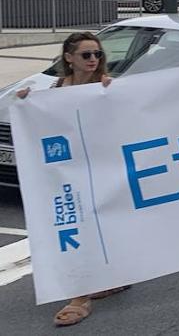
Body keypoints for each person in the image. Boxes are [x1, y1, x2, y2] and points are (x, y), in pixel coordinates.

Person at [16, 32, 121, 327]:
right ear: (68, 58)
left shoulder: (105, 85)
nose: (93, 60)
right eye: (86, 55)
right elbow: (45, 121)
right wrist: (26, 104)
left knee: (96, 227)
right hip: (67, 170)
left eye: (97, 54)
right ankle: (87, 290)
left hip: (99, 168)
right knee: (78, 227)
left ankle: (83, 295)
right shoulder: (57, 87)